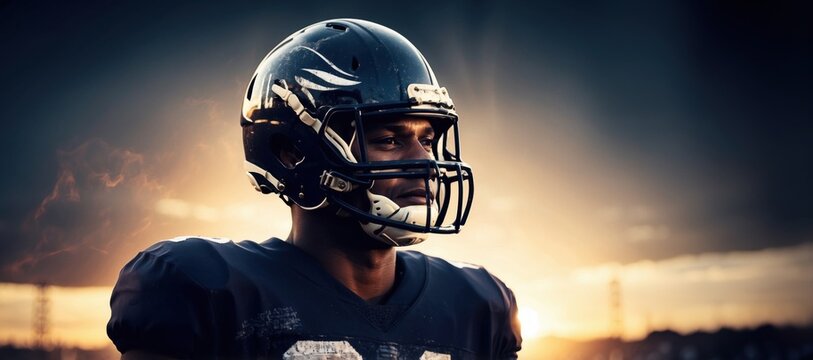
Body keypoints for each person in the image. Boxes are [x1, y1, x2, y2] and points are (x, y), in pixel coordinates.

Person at [106, 19, 522, 359]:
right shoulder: (208, 291)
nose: (427, 162)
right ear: (291, 153)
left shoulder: (477, 308)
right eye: (390, 140)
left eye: (427, 139)